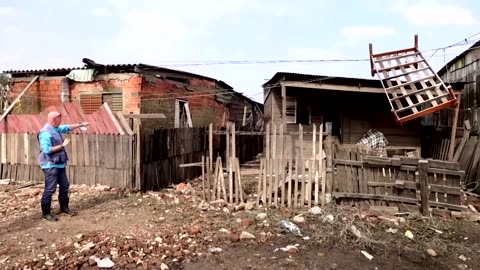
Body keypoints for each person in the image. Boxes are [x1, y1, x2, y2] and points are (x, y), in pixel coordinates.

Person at [38, 111, 90, 221]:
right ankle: (46, 213)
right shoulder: (45, 133)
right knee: (50, 189)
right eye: (59, 119)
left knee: (65, 185)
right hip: (50, 165)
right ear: (53, 120)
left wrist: (81, 125)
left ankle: (64, 208)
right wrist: (62, 145)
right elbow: (46, 150)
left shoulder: (55, 128)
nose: (61, 122)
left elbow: (67, 127)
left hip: (59, 163)